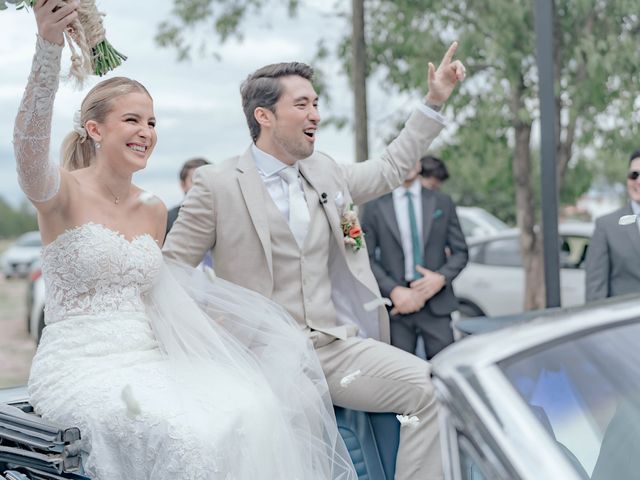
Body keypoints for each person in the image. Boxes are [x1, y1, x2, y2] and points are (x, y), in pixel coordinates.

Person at [16, 2, 355, 479]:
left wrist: (212, 329)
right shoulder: (60, 193)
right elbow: (29, 146)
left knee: (251, 406)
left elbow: (159, 297)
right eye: (132, 120)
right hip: (79, 367)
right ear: (95, 129)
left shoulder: (153, 209)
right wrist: (48, 48)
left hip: (147, 358)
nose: (146, 133)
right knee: (180, 432)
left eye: (152, 122)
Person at [164, 44, 466, 479]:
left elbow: (390, 167)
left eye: (316, 104)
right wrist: (213, 324)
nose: (316, 116)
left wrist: (434, 101)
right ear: (264, 116)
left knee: (432, 389)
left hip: (335, 349)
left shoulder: (326, 171)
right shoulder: (216, 184)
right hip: (262, 355)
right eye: (301, 104)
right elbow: (174, 272)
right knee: (298, 433)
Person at [361, 156, 468, 358]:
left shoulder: (442, 202)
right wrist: (393, 290)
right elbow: (364, 258)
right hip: (397, 307)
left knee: (444, 373)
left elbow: (461, 252)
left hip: (437, 305)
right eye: (404, 154)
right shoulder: (375, 206)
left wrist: (440, 278)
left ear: (418, 164)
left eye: (412, 155)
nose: (408, 162)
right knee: (401, 380)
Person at [585, 149, 640, 302]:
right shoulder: (606, 226)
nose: (638, 181)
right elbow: (595, 295)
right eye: (634, 175)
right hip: (627, 324)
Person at [166, 157, 210, 234]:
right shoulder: (167, 219)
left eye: (207, 180)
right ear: (183, 185)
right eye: (195, 181)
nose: (202, 185)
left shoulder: (223, 219)